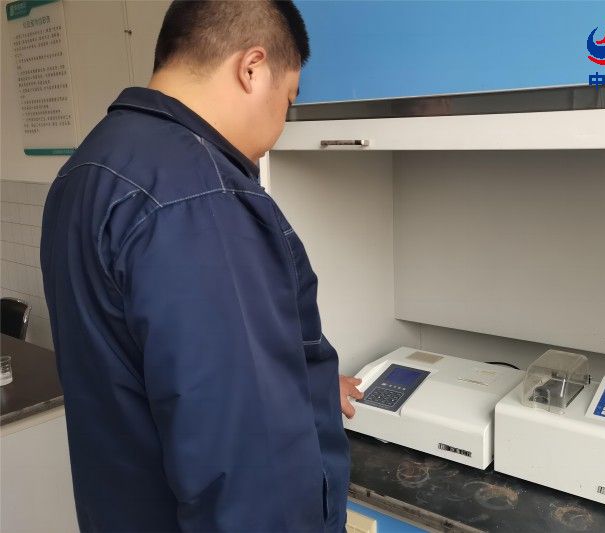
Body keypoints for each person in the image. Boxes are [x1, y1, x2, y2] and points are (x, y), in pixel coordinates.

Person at [40, 1, 363, 531]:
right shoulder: (202, 200)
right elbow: (248, 468)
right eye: (287, 101)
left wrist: (297, 384)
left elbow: (149, 369)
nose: (279, 129)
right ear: (252, 68)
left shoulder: (89, 167)